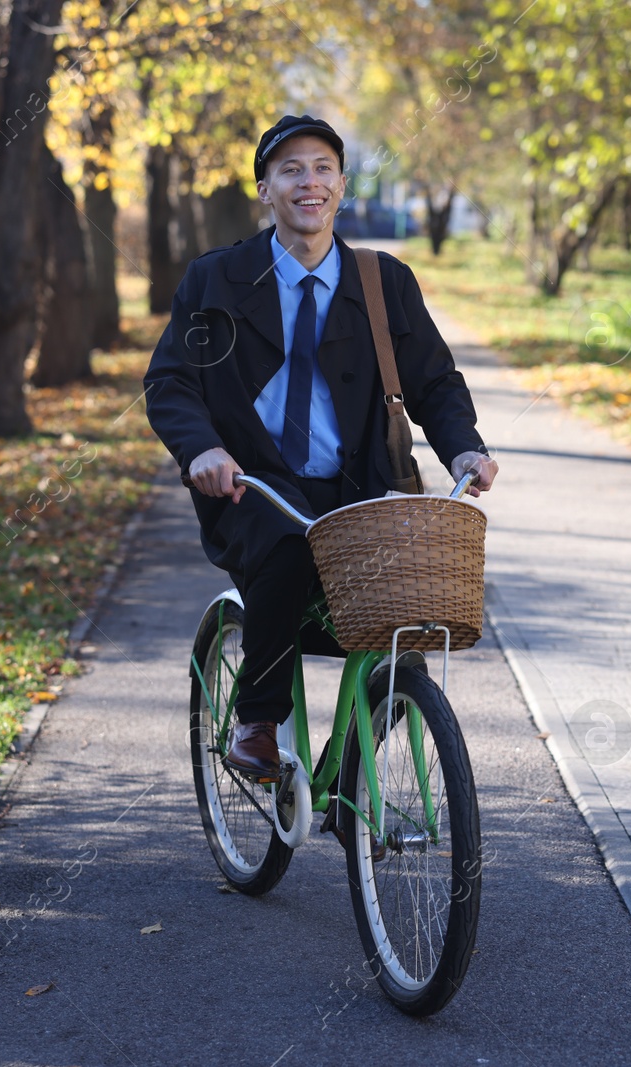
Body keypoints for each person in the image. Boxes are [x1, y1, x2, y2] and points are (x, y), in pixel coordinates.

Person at [143, 114, 498, 779]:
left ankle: (343, 776)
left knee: (408, 627)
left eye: (323, 168)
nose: (311, 182)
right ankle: (257, 721)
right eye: (292, 170)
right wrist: (201, 451)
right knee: (283, 548)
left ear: (340, 184)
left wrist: (463, 450)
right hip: (255, 486)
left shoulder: (382, 281)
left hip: (358, 488)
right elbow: (171, 382)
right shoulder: (217, 280)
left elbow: (435, 382)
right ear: (265, 189)